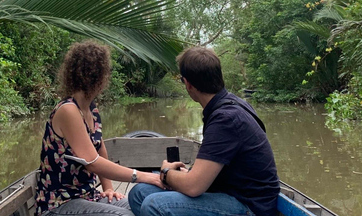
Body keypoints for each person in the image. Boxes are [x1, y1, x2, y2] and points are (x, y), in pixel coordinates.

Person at [128, 47, 280, 216]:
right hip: (227, 191)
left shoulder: (226, 118)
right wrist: (190, 175)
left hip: (249, 206)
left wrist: (166, 173)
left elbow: (193, 187)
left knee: (154, 205)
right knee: (139, 193)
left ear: (188, 84)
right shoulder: (225, 106)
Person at [35, 40, 164, 216]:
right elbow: (92, 162)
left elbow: (99, 149)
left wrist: (108, 187)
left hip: (88, 196)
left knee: (144, 207)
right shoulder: (68, 110)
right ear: (99, 77)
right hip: (59, 203)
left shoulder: (91, 109)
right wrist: (144, 176)